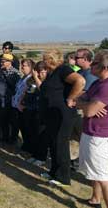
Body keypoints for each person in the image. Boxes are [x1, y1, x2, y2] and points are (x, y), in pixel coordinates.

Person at [39, 49, 85, 187]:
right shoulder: (52, 72)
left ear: (52, 59)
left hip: (63, 114)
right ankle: (54, 172)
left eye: (45, 59)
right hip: (52, 115)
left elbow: (80, 81)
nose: (43, 61)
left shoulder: (63, 69)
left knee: (61, 144)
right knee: (54, 144)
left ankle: (64, 177)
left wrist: (71, 98)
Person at [77, 51, 108, 208]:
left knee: (102, 174)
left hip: (99, 135)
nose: (91, 65)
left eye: (95, 63)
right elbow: (79, 99)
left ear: (104, 67)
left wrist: (86, 105)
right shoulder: (98, 83)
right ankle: (95, 199)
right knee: (93, 171)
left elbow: (89, 111)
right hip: (90, 131)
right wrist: (86, 103)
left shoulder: (107, 86)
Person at [23, 61, 48, 166]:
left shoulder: (47, 82)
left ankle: (41, 157)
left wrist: (36, 78)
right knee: (32, 133)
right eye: (38, 72)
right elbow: (28, 93)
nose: (40, 75)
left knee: (41, 135)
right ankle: (34, 154)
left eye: (42, 72)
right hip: (30, 109)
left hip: (41, 112)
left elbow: (43, 90)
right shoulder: (30, 81)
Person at [12, 59, 34, 152]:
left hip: (24, 107)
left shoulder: (31, 79)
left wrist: (22, 103)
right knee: (22, 127)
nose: (22, 68)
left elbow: (28, 93)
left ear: (31, 67)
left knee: (27, 129)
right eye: (21, 65)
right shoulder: (22, 78)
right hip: (17, 106)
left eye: (24, 66)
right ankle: (25, 146)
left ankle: (29, 147)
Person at [0, 53, 21, 143]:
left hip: (11, 99)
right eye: (2, 61)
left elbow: (14, 86)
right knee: (4, 119)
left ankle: (13, 139)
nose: (2, 62)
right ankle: (5, 137)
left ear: (9, 62)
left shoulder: (16, 72)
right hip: (3, 98)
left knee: (13, 121)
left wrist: (6, 77)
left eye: (3, 61)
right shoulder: (2, 71)